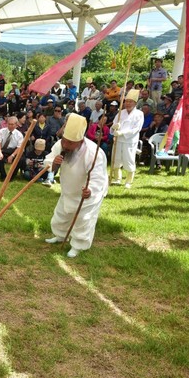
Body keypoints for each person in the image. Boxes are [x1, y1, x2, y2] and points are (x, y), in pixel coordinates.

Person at [44, 113, 107, 258]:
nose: (65, 145)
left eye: (70, 143)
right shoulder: (60, 144)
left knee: (83, 219)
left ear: (80, 140)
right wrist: (53, 164)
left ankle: (78, 245)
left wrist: (90, 190)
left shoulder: (93, 152)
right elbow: (48, 161)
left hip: (87, 192)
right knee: (62, 213)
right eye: (64, 141)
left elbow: (98, 177)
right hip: (68, 189)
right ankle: (60, 235)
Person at [110, 90, 143, 188]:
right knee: (116, 159)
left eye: (130, 101)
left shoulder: (139, 114)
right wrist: (114, 127)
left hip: (129, 141)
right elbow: (113, 125)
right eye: (126, 101)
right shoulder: (121, 112)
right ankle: (117, 179)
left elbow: (136, 129)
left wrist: (122, 133)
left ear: (135, 103)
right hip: (118, 140)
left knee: (129, 159)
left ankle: (129, 181)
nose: (128, 103)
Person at [0, 116, 24, 181]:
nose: (10, 126)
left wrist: (12, 156)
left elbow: (19, 147)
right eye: (9, 124)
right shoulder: (1, 131)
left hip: (14, 151)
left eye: (12, 124)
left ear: (16, 125)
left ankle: (11, 177)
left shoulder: (19, 135)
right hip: (3, 150)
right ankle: (3, 176)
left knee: (20, 160)